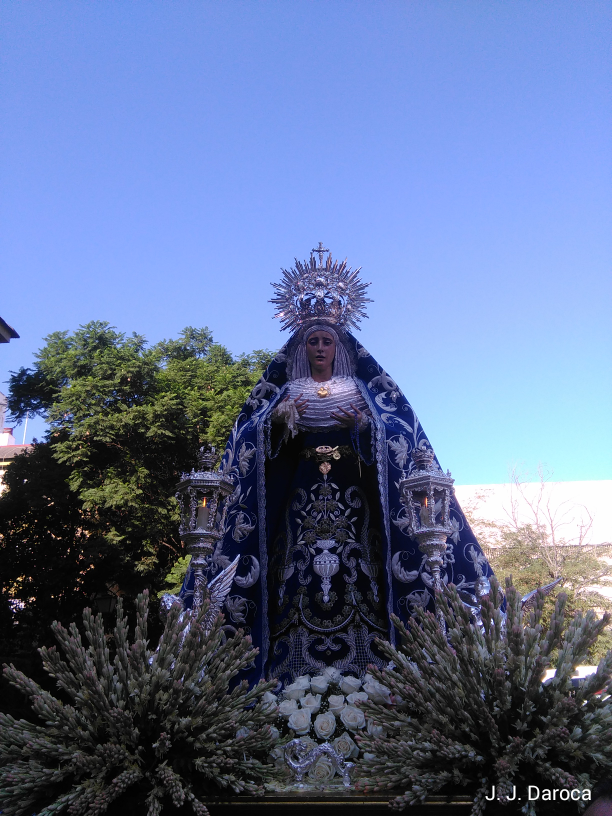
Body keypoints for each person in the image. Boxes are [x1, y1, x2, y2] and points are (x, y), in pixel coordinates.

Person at [182, 249, 495, 687]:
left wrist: (366, 428)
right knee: (295, 575)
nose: (320, 348)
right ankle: (287, 672)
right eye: (313, 341)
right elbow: (250, 439)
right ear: (302, 347)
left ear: (339, 347)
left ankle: (374, 669)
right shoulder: (287, 392)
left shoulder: (361, 390)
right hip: (301, 505)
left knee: (363, 572)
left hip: (354, 503)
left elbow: (398, 432)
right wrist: (275, 424)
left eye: (327, 342)